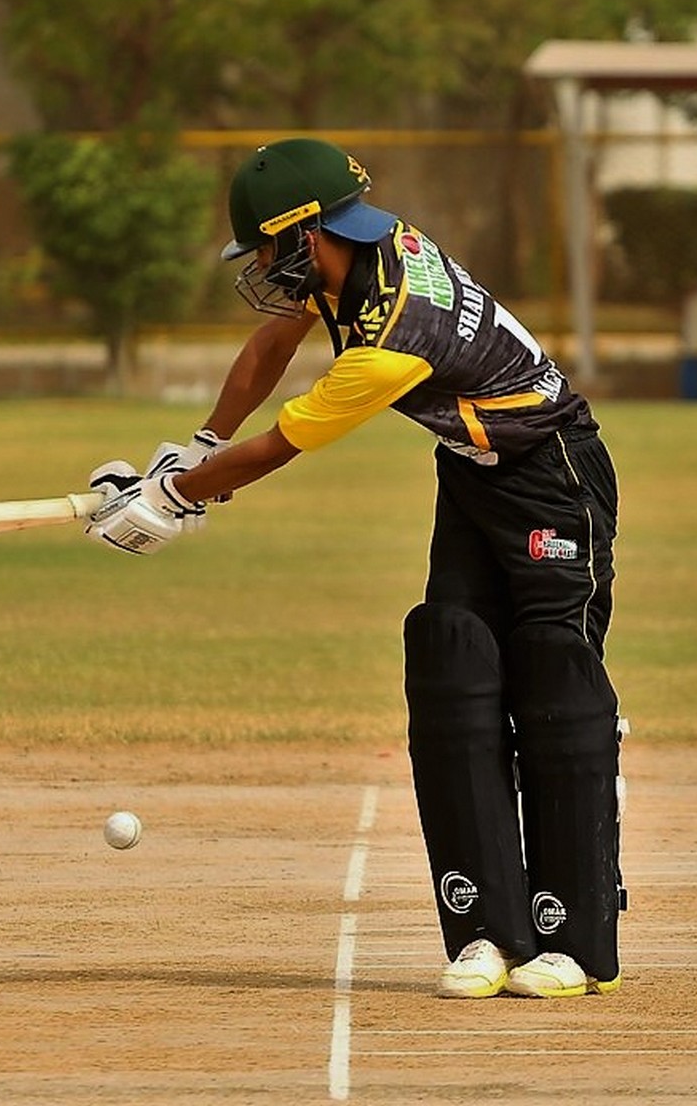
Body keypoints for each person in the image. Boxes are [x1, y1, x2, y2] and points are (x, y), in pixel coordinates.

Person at [84, 138, 625, 999]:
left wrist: (173, 498)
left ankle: (573, 941)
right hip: (476, 476)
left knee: (553, 680)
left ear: (307, 234)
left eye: (267, 249)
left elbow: (283, 445)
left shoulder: (397, 333)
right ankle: (488, 933)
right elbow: (273, 343)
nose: (263, 267)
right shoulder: (357, 256)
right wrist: (199, 448)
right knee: (453, 667)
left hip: (553, 478)